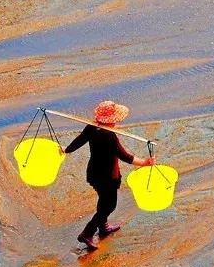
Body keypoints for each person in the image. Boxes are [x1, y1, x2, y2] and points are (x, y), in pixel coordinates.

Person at [65, 101, 154, 251]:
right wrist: (145, 162)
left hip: (94, 173)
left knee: (103, 201)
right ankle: (87, 233)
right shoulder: (110, 136)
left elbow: (79, 141)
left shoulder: (91, 127)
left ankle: (103, 227)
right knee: (109, 206)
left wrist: (66, 150)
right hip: (107, 177)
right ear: (112, 120)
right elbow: (125, 156)